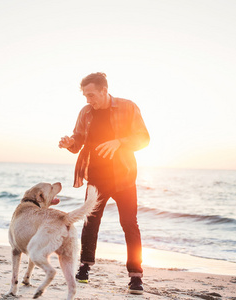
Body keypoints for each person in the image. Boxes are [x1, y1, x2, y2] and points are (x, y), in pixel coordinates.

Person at [58, 72, 150, 294]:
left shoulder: (128, 107)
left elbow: (144, 138)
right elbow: (78, 140)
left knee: (129, 224)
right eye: (85, 96)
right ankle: (84, 267)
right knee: (91, 222)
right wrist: (70, 143)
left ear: (104, 90)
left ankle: (135, 277)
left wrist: (119, 142)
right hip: (96, 177)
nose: (88, 100)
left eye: (91, 95)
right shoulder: (86, 112)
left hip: (124, 177)